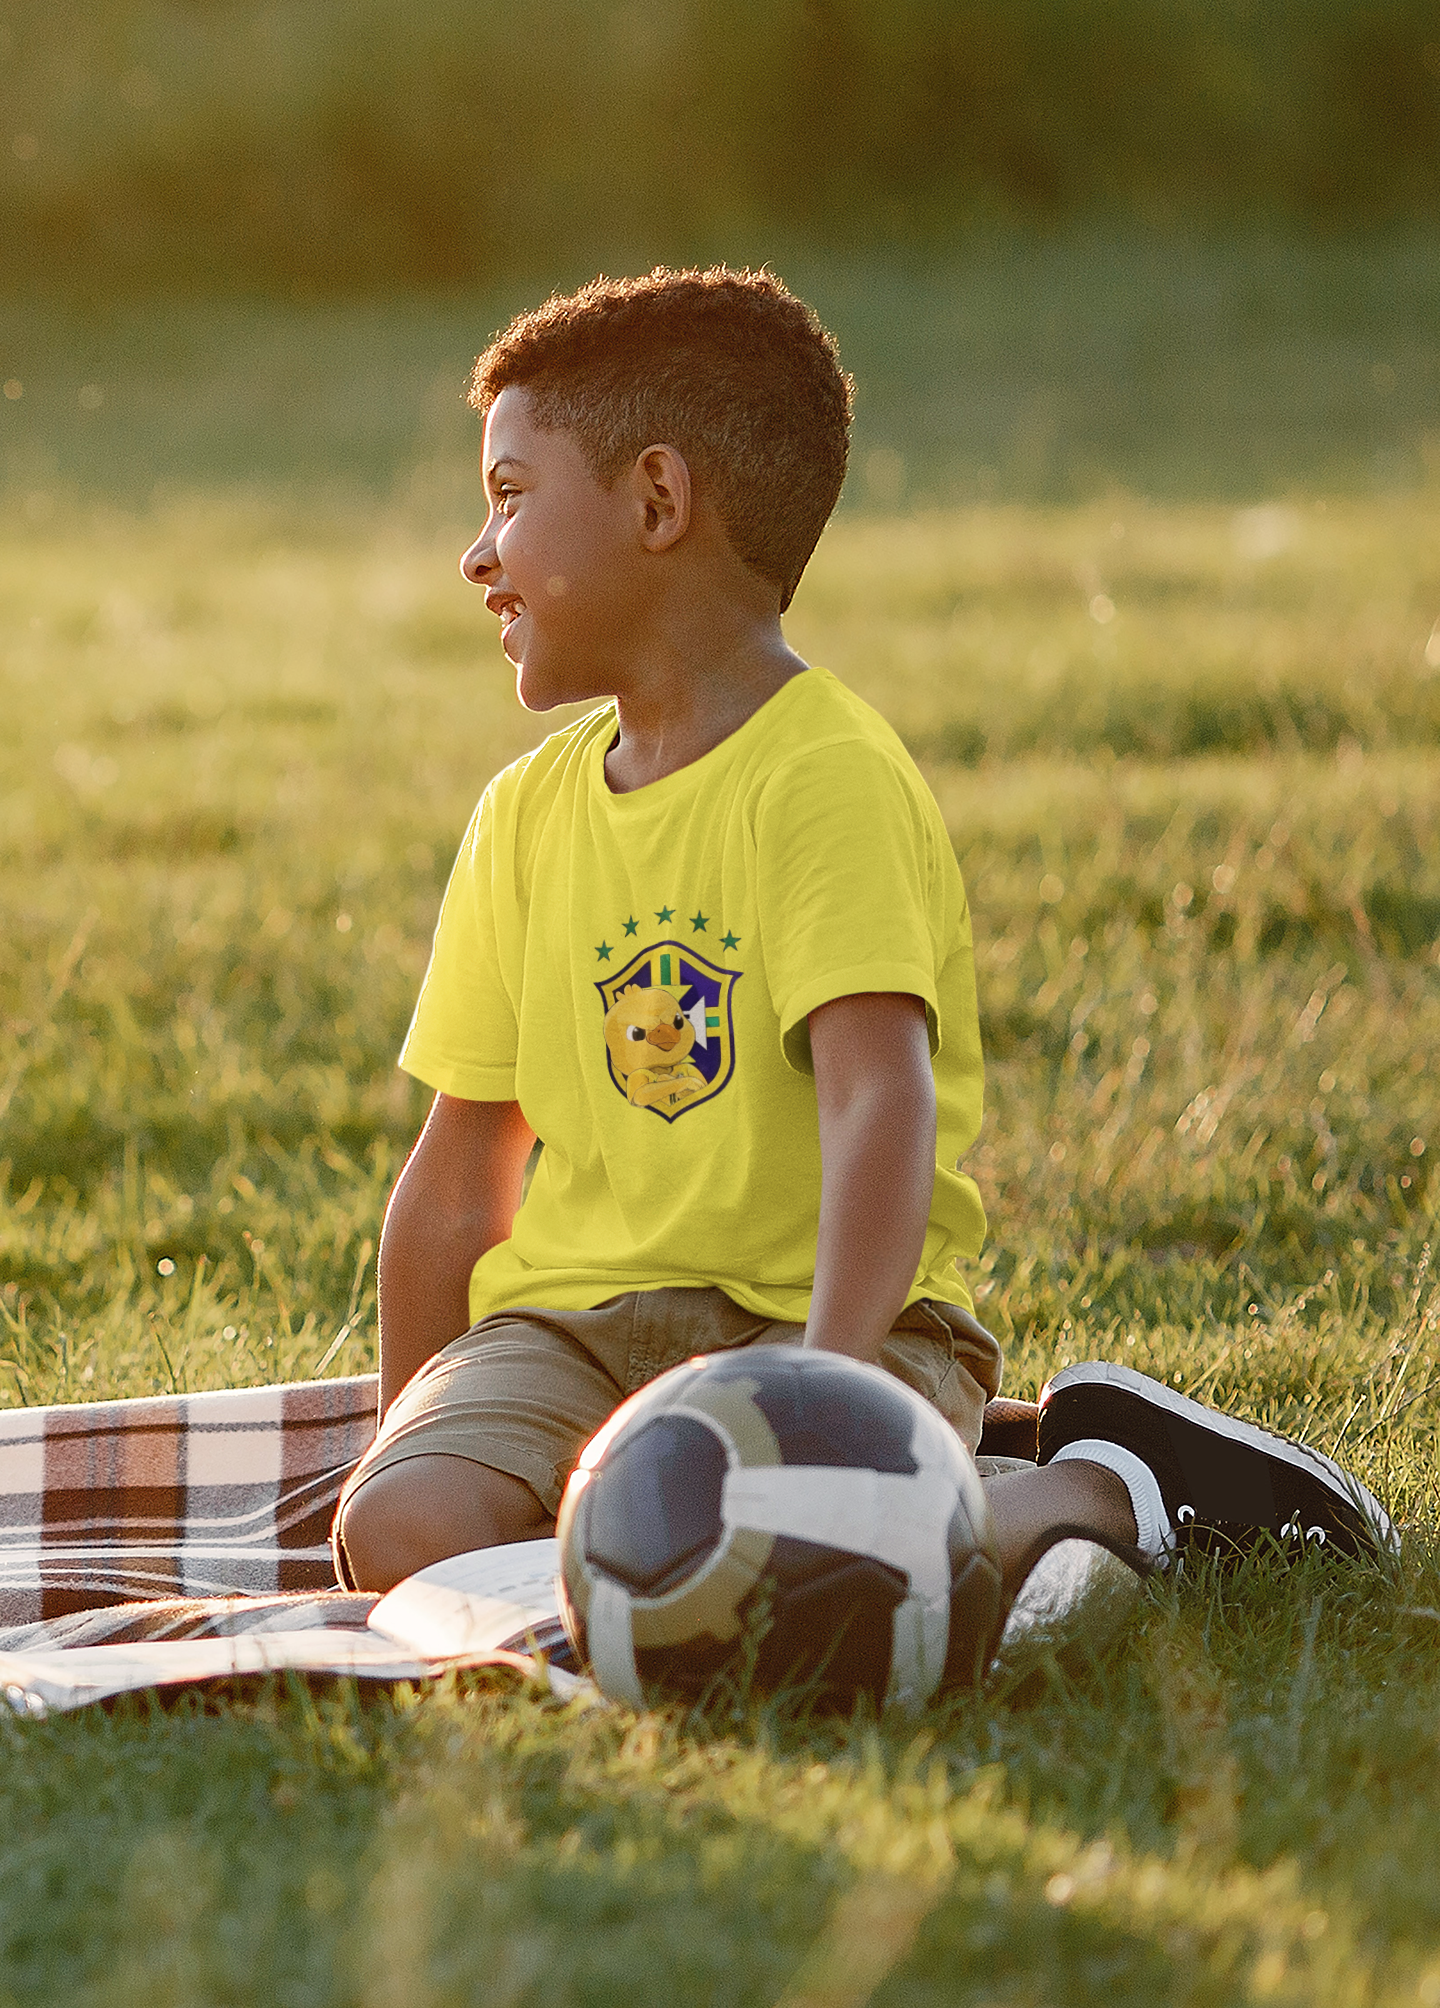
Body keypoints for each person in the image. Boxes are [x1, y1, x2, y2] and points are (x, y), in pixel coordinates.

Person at [331, 267, 1394, 1606]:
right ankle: (957, 1488)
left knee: (773, 1556)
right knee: (410, 1531)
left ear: (657, 501)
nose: (477, 555)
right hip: (574, 1332)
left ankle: (1098, 1491)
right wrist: (402, 1438)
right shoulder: (523, 816)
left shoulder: (822, 776)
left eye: (507, 494)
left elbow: (880, 1103)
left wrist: (824, 1402)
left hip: (832, 1323)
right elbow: (455, 1181)